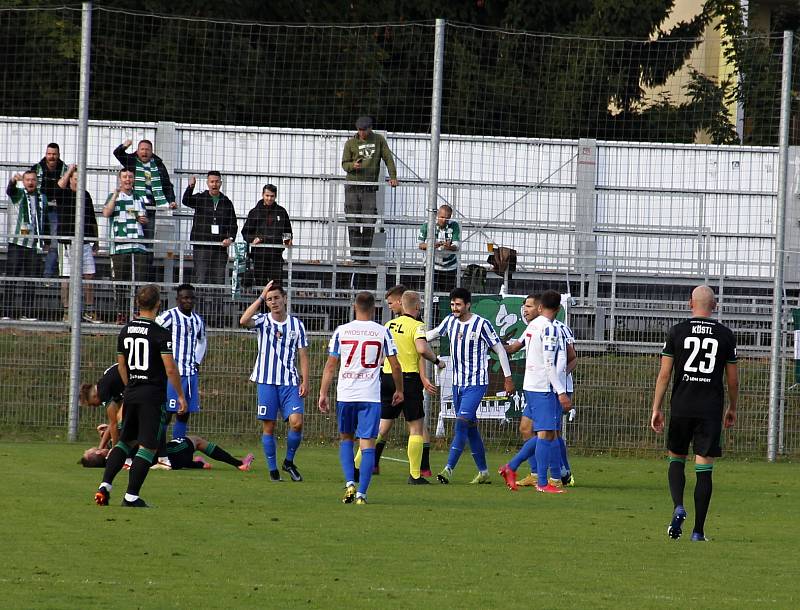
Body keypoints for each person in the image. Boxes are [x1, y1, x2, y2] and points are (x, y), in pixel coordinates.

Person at [651, 285, 738, 542]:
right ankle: (698, 531)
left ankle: (678, 505)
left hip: (681, 406)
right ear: (715, 306)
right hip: (710, 409)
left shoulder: (677, 331)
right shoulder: (725, 335)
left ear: (691, 303)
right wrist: (732, 407)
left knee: (676, 459)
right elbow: (732, 380)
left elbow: (664, 374)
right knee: (705, 468)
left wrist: (656, 407)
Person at [93, 284, 188, 508]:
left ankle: (105, 485)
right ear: (158, 304)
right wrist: (181, 397)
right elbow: (171, 369)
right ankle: (131, 497)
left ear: (137, 303)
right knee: (148, 446)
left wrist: (129, 387)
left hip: (132, 393)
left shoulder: (125, 330)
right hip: (152, 396)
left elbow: (122, 365)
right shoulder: (160, 333)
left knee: (125, 442)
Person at [318, 291, 404, 504]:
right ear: (374, 309)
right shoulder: (382, 332)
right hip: (370, 397)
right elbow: (395, 365)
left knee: (346, 439)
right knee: (367, 445)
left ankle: (349, 483)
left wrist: (323, 393)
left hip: (346, 395)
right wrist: (399, 390)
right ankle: (362, 495)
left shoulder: (342, 331)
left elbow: (330, 365)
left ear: (355, 307)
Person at [426, 287, 515, 485]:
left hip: (476, 383)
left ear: (468, 305)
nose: (455, 308)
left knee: (462, 423)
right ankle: (483, 472)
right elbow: (431, 334)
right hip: (458, 383)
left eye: (458, 304)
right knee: (471, 428)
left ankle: (448, 469)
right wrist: (414, 334)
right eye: (452, 304)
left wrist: (508, 378)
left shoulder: (481, 324)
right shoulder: (450, 321)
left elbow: (499, 350)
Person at [356, 286, 444, 483]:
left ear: (401, 305)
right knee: (416, 427)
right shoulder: (417, 326)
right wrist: (437, 360)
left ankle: (356, 465)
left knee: (382, 426)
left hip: (387, 377)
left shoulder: (389, 324)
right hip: (408, 379)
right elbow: (422, 349)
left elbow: (380, 352)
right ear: (417, 306)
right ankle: (415, 475)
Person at [499, 291, 571, 493]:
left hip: (531, 385)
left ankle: (511, 467)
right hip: (543, 387)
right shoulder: (549, 329)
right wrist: (561, 392)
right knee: (546, 433)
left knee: (541, 432)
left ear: (540, 308)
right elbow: (549, 363)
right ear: (558, 309)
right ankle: (541, 483)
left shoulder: (533, 325)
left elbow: (516, 347)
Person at [240, 281, 309, 482]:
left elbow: (303, 354)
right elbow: (244, 321)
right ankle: (273, 471)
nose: (274, 302)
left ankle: (288, 461)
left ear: (285, 298)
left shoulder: (297, 325)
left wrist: (305, 381)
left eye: (277, 297)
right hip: (266, 381)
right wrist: (260, 297)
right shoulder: (262, 320)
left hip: (290, 382)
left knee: (297, 423)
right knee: (269, 427)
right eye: (270, 299)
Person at [113, 138, 177, 281]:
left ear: (152, 151)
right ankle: (128, 274)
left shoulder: (158, 165)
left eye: (147, 149)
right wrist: (125, 145)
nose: (144, 152)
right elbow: (117, 153)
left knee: (147, 243)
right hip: (134, 206)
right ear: (137, 150)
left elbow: (167, 185)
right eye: (142, 149)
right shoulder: (132, 161)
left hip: (150, 208)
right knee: (132, 239)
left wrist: (171, 200)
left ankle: (145, 276)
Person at [340, 116, 398, 263]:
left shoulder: (378, 140)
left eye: (364, 130)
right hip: (352, 187)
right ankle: (355, 256)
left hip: (370, 188)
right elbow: (344, 164)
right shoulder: (350, 143)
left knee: (369, 222)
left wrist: (393, 176)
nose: (361, 133)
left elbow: (388, 158)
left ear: (370, 128)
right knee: (353, 222)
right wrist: (353, 165)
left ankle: (364, 257)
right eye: (359, 130)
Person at [156, 284, 207, 441]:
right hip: (172, 374)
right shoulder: (169, 316)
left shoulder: (197, 320)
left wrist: (197, 361)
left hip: (190, 374)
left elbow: (202, 341)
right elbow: (153, 331)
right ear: (178, 299)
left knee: (184, 413)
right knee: (167, 413)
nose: (188, 300)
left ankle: (176, 449)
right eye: (185, 297)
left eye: (191, 298)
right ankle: (158, 450)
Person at [55, 164, 100, 323]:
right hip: (67, 242)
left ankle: (89, 311)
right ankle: (67, 312)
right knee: (66, 278)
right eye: (75, 179)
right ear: (71, 179)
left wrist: (96, 240)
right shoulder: (63, 194)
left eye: (80, 179)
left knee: (89, 276)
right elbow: (57, 187)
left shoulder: (86, 195)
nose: (78, 182)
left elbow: (92, 218)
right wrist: (69, 171)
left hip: (85, 242)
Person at [103, 169, 148, 325]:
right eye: (124, 177)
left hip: (138, 245)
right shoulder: (114, 197)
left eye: (130, 177)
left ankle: (137, 313)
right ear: (120, 179)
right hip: (120, 247)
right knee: (120, 282)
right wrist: (115, 194)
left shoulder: (139, 198)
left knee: (139, 282)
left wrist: (144, 220)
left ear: (134, 179)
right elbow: (106, 213)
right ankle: (121, 313)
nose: (127, 179)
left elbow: (144, 218)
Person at [4, 170, 49, 321]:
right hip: (17, 243)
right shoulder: (19, 194)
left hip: (33, 244)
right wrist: (12, 181)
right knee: (12, 277)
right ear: (23, 181)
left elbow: (45, 220)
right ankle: (7, 312)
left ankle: (27, 313)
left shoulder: (42, 198)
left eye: (33, 180)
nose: (30, 182)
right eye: (27, 180)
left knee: (31, 279)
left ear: (37, 181)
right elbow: (9, 191)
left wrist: (46, 241)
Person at [182, 171, 238, 286]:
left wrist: (230, 239)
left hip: (220, 248)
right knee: (201, 280)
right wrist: (191, 187)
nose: (214, 184)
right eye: (212, 182)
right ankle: (200, 304)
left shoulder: (226, 202)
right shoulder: (200, 198)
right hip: (202, 246)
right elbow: (186, 201)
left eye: (217, 182)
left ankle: (218, 305)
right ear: (207, 183)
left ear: (221, 183)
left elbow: (233, 224)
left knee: (219, 281)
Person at [241, 184, 293, 287]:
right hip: (259, 256)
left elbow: (287, 230)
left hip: (276, 255)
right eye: (267, 195)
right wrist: (253, 239)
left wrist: (287, 241)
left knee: (276, 285)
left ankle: (276, 303)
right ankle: (261, 303)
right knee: (261, 285)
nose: (269, 198)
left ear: (275, 196)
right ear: (262, 195)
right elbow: (245, 232)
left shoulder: (281, 212)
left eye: (272, 196)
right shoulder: (254, 212)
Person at [31, 143, 68, 278]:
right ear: (46, 154)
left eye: (54, 154)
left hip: (56, 211)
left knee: (54, 243)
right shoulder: (37, 168)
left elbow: (65, 191)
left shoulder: (64, 169)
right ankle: (33, 274)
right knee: (32, 241)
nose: (51, 157)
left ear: (59, 155)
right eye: (49, 154)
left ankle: (47, 274)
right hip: (37, 210)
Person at [80, 362, 126, 449]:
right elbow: (114, 421)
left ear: (94, 396)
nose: (95, 406)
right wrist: (100, 447)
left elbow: (114, 423)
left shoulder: (103, 393)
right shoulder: (108, 384)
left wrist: (114, 449)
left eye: (93, 404)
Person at [418, 204, 461, 294]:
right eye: (441, 217)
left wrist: (448, 247)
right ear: (437, 215)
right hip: (431, 266)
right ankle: (432, 308)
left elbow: (456, 246)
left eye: (447, 218)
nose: (444, 220)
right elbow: (420, 245)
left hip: (449, 267)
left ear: (450, 217)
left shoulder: (454, 225)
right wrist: (432, 245)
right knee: (431, 294)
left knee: (448, 295)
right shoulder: (427, 225)